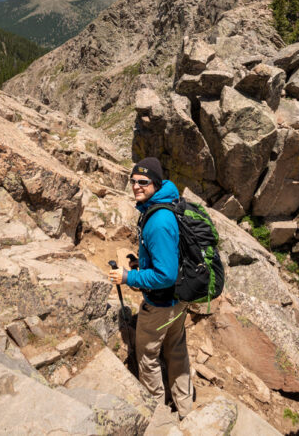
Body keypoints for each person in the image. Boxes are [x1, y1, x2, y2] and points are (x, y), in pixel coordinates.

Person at [108, 157, 193, 419]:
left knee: (147, 356)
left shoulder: (158, 221)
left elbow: (165, 275)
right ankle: (186, 407)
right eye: (132, 181)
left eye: (143, 182)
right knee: (176, 349)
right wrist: (140, 263)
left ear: (155, 183)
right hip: (181, 298)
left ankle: (158, 414)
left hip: (160, 304)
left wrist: (129, 277)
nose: (136, 186)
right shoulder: (168, 203)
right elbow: (169, 256)